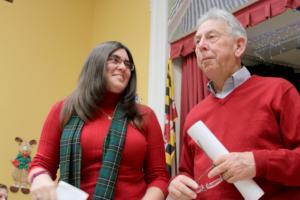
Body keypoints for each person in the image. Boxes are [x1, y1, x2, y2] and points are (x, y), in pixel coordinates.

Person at [168, 8, 300, 200]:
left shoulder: (279, 91)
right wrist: (178, 183)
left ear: (238, 46)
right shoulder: (194, 116)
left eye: (211, 37)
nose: (201, 46)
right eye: (197, 41)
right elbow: (187, 173)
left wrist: (258, 163)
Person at [28, 41, 169, 200]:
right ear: (96, 64)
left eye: (127, 64)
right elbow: (41, 164)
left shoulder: (145, 115)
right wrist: (39, 177)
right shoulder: (63, 110)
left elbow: (159, 177)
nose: (123, 67)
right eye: (115, 60)